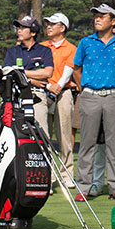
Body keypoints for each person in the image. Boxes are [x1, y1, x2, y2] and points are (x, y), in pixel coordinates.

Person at [72, 3, 115, 202]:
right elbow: (77, 69)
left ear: (113, 20)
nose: (97, 19)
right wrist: (84, 88)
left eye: (102, 16)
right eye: (96, 16)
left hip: (113, 97)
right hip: (90, 96)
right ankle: (83, 187)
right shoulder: (85, 42)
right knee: (87, 143)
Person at [2, 15, 53, 133]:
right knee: (17, 134)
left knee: (42, 134)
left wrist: (20, 72)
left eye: (23, 28)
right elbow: (8, 73)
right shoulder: (12, 51)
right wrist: (31, 80)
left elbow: (48, 73)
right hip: (17, 97)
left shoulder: (45, 50)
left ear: (33, 33)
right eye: (18, 28)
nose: (19, 30)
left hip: (37, 96)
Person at [44, 12, 78, 188]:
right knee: (45, 134)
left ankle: (66, 174)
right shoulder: (41, 47)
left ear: (62, 28)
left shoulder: (71, 48)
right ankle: (47, 175)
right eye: (48, 24)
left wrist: (56, 87)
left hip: (63, 92)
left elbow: (67, 72)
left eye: (53, 24)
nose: (49, 27)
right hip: (44, 91)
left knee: (64, 135)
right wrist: (49, 87)